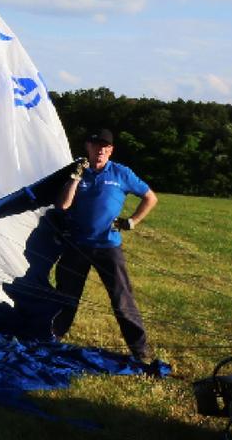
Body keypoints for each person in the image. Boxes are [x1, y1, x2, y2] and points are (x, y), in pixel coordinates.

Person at [52, 128, 159, 362]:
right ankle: (52, 338)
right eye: (95, 145)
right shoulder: (76, 172)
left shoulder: (121, 173)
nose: (100, 150)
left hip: (108, 246)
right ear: (88, 148)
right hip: (77, 245)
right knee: (66, 295)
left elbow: (150, 197)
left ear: (110, 150)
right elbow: (63, 206)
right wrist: (75, 179)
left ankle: (140, 351)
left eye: (105, 146)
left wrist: (132, 221)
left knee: (122, 299)